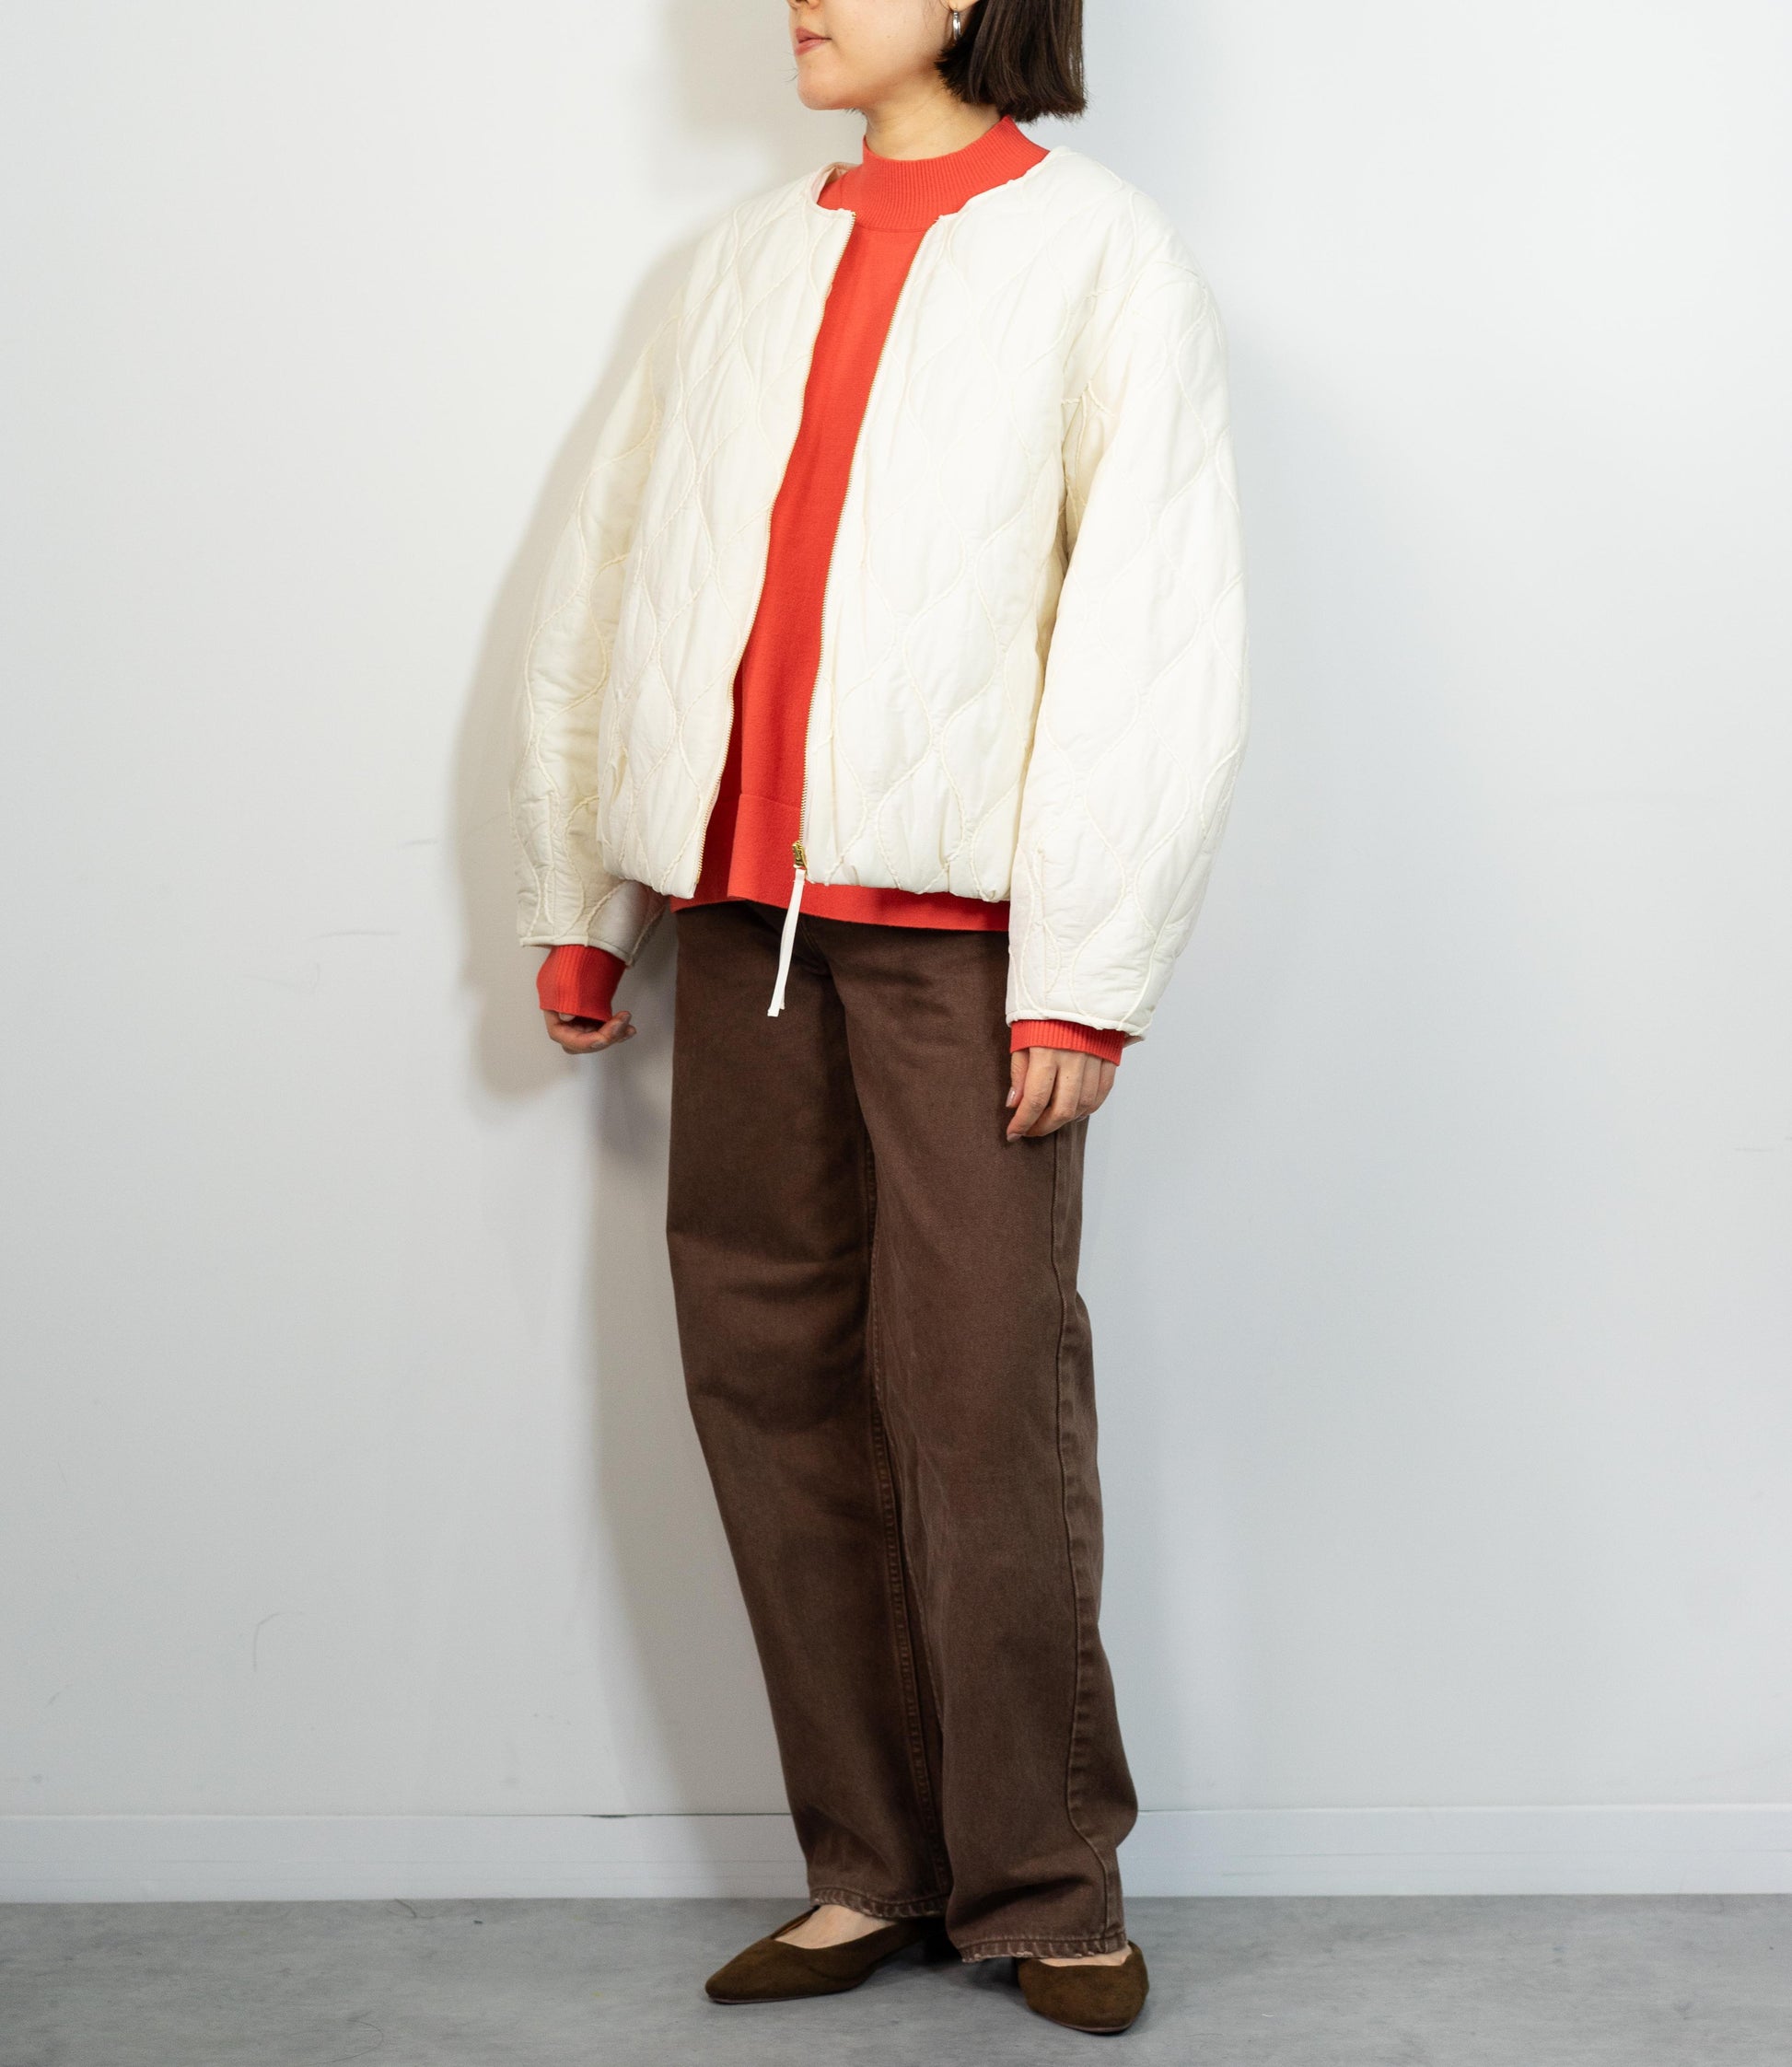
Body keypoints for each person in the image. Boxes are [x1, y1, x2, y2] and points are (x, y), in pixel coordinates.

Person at [509, 0, 1248, 2037]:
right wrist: (580, 899)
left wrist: (1086, 969)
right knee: (766, 1380)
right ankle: (867, 1866)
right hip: (737, 915)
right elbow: (612, 577)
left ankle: (1044, 1882)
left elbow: (1152, 627)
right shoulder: (736, 265)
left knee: (978, 1395)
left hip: (961, 941)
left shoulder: (1098, 253)